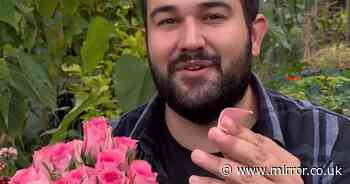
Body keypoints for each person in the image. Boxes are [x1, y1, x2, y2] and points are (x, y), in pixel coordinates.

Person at [112, 0, 350, 183]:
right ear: (147, 42)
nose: (191, 41)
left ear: (254, 36)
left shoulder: (332, 144)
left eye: (213, 16)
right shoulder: (101, 152)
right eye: (168, 21)